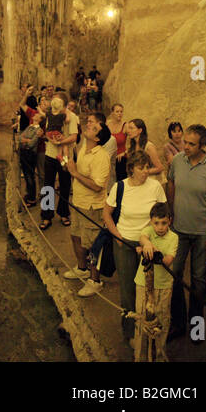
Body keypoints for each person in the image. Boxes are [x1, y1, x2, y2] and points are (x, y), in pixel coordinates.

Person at [165, 124, 206, 342]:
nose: (186, 147)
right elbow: (170, 182)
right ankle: (179, 323)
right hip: (179, 229)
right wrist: (170, 209)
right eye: (185, 142)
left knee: (199, 281)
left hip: (202, 233)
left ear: (202, 146)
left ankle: (196, 327)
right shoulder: (178, 161)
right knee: (174, 275)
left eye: (192, 144)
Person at [104, 149, 168, 340]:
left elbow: (163, 212)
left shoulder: (155, 186)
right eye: (141, 168)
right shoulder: (120, 187)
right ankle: (130, 333)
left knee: (150, 289)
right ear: (131, 169)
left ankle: (149, 328)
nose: (146, 171)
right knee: (127, 289)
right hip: (125, 243)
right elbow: (107, 214)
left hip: (148, 244)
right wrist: (117, 237)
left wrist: (152, 238)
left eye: (147, 167)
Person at [61, 111, 113, 297]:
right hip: (78, 201)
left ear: (98, 138)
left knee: (93, 244)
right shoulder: (84, 146)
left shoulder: (102, 157)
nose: (89, 125)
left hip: (92, 207)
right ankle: (82, 268)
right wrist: (67, 159)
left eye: (94, 126)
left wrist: (74, 173)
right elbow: (76, 165)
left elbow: (98, 187)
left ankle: (95, 280)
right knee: (76, 236)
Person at [134, 203, 178, 362]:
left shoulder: (173, 237)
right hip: (143, 284)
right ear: (151, 222)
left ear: (170, 221)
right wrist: (146, 244)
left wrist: (158, 255)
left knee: (162, 320)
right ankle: (139, 356)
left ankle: (159, 356)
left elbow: (168, 260)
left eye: (164, 223)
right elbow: (143, 237)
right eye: (156, 223)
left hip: (164, 285)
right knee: (141, 319)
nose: (160, 227)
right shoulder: (148, 231)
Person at [40, 95, 78, 229]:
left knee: (65, 185)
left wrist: (60, 142)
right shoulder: (50, 114)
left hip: (66, 157)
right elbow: (48, 131)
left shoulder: (72, 117)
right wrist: (52, 139)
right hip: (50, 154)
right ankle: (46, 215)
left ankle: (63, 213)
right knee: (47, 185)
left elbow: (74, 137)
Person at [122, 119, 167, 184]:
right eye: (128, 128)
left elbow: (160, 167)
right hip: (142, 181)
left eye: (131, 128)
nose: (128, 131)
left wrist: (142, 171)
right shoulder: (133, 146)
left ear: (140, 130)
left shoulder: (149, 146)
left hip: (153, 181)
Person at [18, 111, 45, 207]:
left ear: (40, 119)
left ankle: (32, 198)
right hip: (24, 153)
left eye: (37, 115)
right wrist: (25, 140)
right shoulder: (30, 126)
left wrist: (26, 141)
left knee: (30, 176)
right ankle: (29, 195)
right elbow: (20, 138)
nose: (35, 115)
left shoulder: (39, 130)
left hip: (30, 154)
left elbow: (31, 144)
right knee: (26, 176)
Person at [106, 104, 126, 181]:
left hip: (120, 159)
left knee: (120, 182)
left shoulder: (125, 125)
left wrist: (125, 152)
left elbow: (135, 142)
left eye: (121, 111)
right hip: (108, 158)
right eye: (117, 111)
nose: (120, 113)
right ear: (112, 113)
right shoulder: (107, 124)